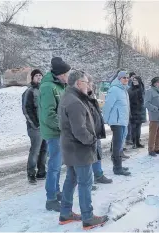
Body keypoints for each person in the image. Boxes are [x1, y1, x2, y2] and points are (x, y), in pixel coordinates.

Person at [58, 70, 109, 230]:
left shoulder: (72, 97)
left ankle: (65, 213)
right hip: (80, 149)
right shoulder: (74, 102)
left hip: (72, 148)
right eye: (87, 83)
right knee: (85, 182)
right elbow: (80, 131)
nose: (89, 85)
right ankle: (88, 217)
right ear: (79, 83)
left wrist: (90, 93)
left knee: (71, 180)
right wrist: (92, 141)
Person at [39, 57, 71, 211]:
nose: (68, 76)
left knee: (58, 165)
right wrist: (63, 127)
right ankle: (50, 198)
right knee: (54, 165)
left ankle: (56, 191)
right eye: (66, 73)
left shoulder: (60, 85)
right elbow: (48, 114)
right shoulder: (47, 87)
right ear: (59, 74)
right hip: (54, 132)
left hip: (61, 131)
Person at [102, 71, 131, 176]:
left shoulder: (123, 90)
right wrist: (105, 119)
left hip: (123, 121)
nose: (126, 79)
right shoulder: (114, 90)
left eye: (127, 78)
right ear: (118, 78)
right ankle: (117, 167)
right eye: (124, 78)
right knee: (117, 145)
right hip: (117, 121)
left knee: (120, 144)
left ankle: (119, 165)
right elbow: (108, 105)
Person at [22, 69, 47, 185]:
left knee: (44, 150)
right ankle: (31, 173)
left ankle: (41, 171)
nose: (39, 78)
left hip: (45, 126)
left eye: (40, 76)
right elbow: (26, 109)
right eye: (36, 76)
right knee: (35, 151)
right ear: (32, 78)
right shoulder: (29, 92)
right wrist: (35, 124)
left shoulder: (43, 90)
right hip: (35, 127)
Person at [87, 75, 113, 184]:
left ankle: (98, 174)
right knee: (87, 156)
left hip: (95, 130)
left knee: (97, 153)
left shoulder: (91, 95)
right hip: (87, 132)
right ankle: (86, 180)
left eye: (91, 83)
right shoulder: (79, 97)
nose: (91, 85)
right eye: (88, 83)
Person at [144, 77, 159, 157]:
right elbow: (146, 103)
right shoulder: (150, 91)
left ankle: (157, 148)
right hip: (154, 115)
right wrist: (155, 108)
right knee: (153, 133)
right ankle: (151, 149)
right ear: (155, 83)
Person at [127, 75, 146, 149]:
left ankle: (137, 142)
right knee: (133, 128)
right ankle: (134, 142)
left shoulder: (142, 89)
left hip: (140, 111)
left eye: (136, 80)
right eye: (133, 80)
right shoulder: (130, 90)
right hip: (133, 110)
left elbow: (143, 100)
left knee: (138, 128)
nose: (134, 82)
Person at [125, 71, 137, 146]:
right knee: (128, 124)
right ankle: (128, 138)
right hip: (128, 106)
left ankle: (131, 137)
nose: (133, 78)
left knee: (131, 124)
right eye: (133, 76)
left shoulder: (132, 84)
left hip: (131, 107)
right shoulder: (128, 84)